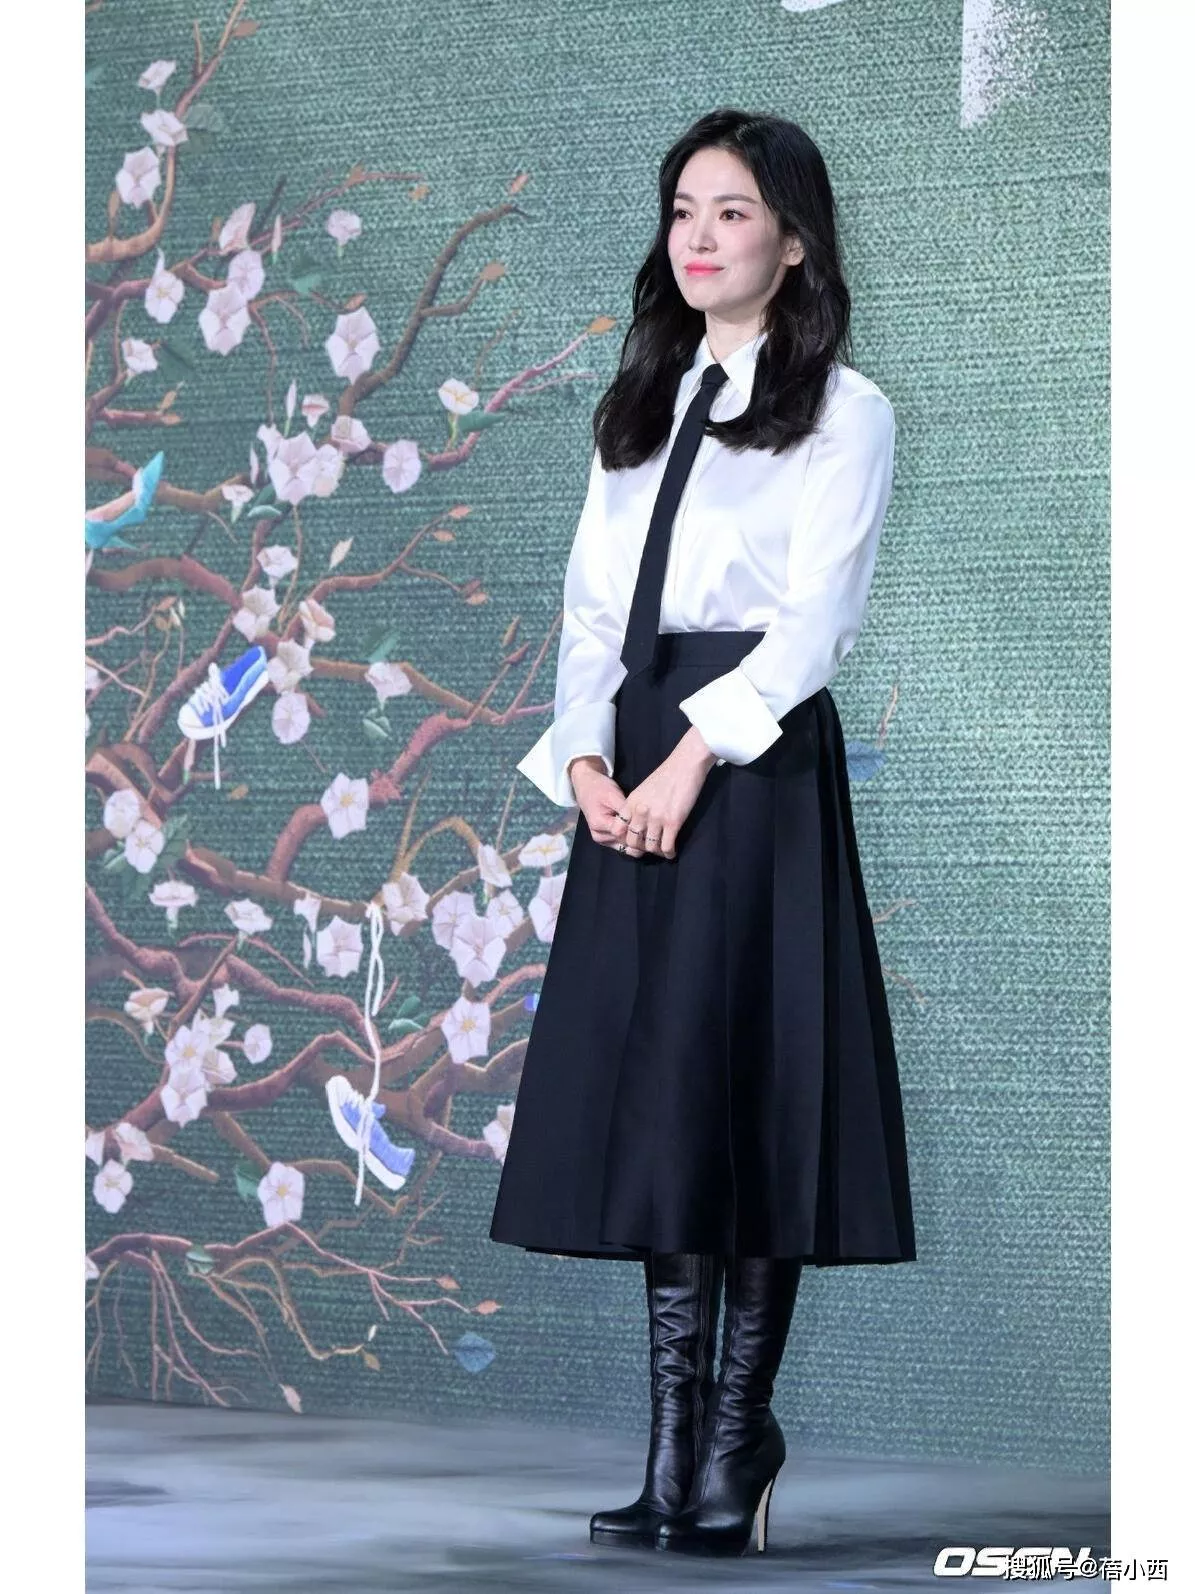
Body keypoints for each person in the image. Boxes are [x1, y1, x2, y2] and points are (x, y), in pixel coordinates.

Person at [489, 107, 917, 1558]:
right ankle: (671, 1449)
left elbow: (815, 624)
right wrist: (586, 757)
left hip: (750, 760)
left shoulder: (846, 411)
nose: (699, 236)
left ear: (792, 243)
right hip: (632, 749)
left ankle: (737, 1434)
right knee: (663, 1091)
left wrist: (688, 760)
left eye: (732, 212)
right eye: (683, 209)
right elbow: (589, 610)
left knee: (750, 1087)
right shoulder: (640, 403)